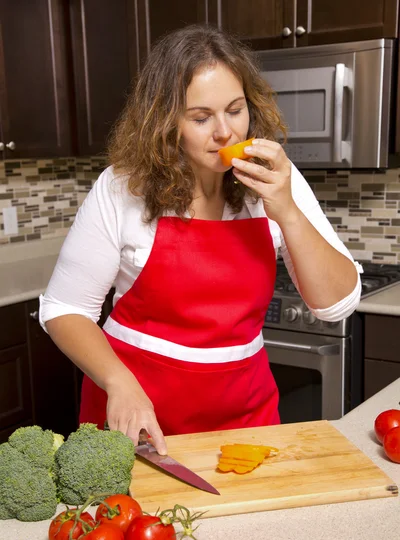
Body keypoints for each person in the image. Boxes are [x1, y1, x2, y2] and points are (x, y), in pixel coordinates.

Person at [40, 25, 361, 455]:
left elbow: (335, 304)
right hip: (138, 420)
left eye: (235, 109)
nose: (225, 132)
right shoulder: (121, 189)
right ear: (166, 121)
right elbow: (65, 308)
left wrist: (285, 208)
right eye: (201, 117)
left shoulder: (275, 179)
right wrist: (119, 383)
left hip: (246, 418)